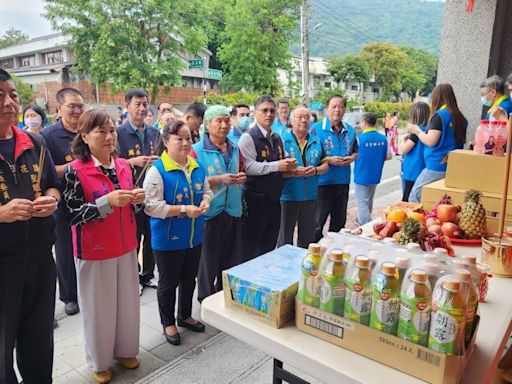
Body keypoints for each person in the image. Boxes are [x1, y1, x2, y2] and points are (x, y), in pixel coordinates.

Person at [63, 109, 144, 384]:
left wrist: (137, 199)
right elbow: (71, 213)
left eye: (111, 130)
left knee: (128, 304)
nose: (110, 137)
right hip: (94, 250)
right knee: (99, 309)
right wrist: (107, 201)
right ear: (84, 136)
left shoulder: (124, 166)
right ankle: (99, 361)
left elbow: (133, 206)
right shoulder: (75, 171)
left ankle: (125, 351)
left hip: (126, 245)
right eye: (101, 131)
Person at [0, 68, 61, 384]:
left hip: (39, 261)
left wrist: (51, 200)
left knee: (38, 344)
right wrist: (2, 213)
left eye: (12, 94)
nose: (10, 102)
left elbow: (52, 185)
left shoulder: (34, 142)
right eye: (0, 95)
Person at [143, 119, 213, 346]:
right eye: (178, 139)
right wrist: (184, 209)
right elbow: (151, 206)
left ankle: (184, 315)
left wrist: (205, 200)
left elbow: (207, 190)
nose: (185, 143)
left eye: (188, 138)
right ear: (166, 141)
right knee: (168, 282)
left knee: (189, 278)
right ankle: (168, 322)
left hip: (194, 236)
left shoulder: (196, 166)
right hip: (168, 239)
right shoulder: (158, 171)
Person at [191, 105, 246, 302]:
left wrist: (240, 178)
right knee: (208, 260)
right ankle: (205, 299)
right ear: (207, 124)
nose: (224, 125)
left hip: (232, 209)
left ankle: (224, 296)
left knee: (231, 257)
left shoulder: (235, 146)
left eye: (226, 121)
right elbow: (194, 183)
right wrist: (219, 179)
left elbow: (241, 169)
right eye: (218, 121)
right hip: (210, 211)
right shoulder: (196, 151)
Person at [42, 87, 85, 316]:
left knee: (86, 248)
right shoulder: (48, 136)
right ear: (59, 108)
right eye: (72, 106)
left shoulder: (86, 131)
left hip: (86, 200)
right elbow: (48, 173)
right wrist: (76, 166)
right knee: (66, 250)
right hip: (62, 203)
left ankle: (86, 290)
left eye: (80, 106)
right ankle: (69, 296)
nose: (77, 111)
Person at [238, 95, 297, 261]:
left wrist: (290, 164)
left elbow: (282, 158)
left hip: (274, 197)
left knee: (269, 245)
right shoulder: (248, 137)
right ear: (255, 113)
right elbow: (248, 167)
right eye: (264, 110)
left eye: (272, 110)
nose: (269, 114)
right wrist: (278, 166)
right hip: (255, 199)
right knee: (251, 247)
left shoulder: (277, 138)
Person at [116, 88, 161, 295]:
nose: (142, 108)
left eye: (145, 104)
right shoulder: (118, 134)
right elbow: (111, 163)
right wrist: (131, 161)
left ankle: (148, 275)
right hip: (130, 196)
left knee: (151, 237)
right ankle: (134, 278)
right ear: (127, 107)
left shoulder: (154, 133)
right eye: (137, 104)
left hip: (151, 194)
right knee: (133, 239)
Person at [277, 105, 328, 248]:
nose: (304, 120)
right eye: (299, 117)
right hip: (287, 197)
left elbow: (325, 166)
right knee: (284, 239)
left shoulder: (317, 141)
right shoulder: (282, 141)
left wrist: (316, 170)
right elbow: (275, 170)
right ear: (291, 121)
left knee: (307, 239)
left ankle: (304, 267)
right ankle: (284, 267)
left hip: (310, 197)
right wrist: (292, 172)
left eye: (307, 117)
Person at [408, 83, 468, 203]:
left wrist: (417, 131)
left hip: (436, 164)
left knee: (415, 196)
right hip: (453, 165)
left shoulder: (439, 116)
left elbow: (431, 141)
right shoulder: (460, 117)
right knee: (441, 200)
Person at [311, 95, 358, 241]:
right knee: (317, 224)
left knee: (339, 224)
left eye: (341, 107)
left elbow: (356, 150)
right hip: (322, 184)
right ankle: (313, 254)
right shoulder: (316, 130)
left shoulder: (350, 130)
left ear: (344, 110)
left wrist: (353, 157)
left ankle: (333, 254)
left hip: (343, 182)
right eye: (334, 106)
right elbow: (310, 156)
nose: (337, 110)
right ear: (327, 109)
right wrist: (328, 159)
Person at [353, 113, 392, 225]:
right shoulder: (383, 139)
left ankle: (367, 225)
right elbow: (389, 156)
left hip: (361, 174)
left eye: (360, 122)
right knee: (369, 199)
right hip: (375, 173)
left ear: (364, 123)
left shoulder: (359, 139)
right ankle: (362, 219)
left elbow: (352, 155)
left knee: (361, 202)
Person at [399, 102, 430, 202]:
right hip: (424, 169)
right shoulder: (428, 131)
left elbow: (404, 149)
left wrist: (401, 141)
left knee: (408, 200)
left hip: (412, 172)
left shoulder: (416, 132)